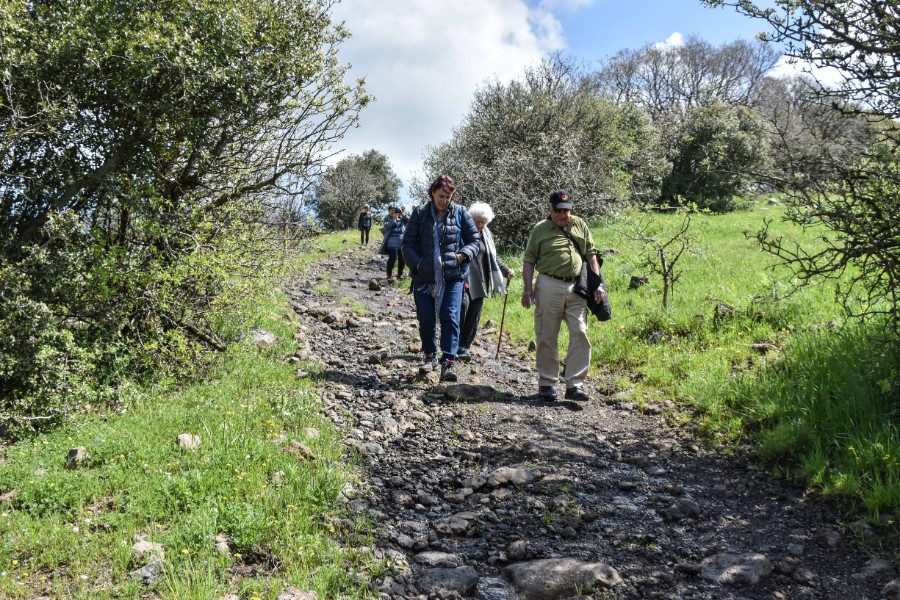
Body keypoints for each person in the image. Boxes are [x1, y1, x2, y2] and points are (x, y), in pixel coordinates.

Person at [520, 190, 607, 402]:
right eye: (558, 210)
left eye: (566, 211)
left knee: (580, 332)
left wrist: (598, 284)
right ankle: (547, 383)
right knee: (547, 334)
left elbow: (591, 255)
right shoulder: (540, 230)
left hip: (577, 286)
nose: (562, 215)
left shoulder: (579, 224)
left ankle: (575, 384)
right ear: (549, 209)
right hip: (548, 284)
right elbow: (529, 260)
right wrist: (527, 289)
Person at [402, 175, 480, 382]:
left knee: (450, 316)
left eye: (449, 196)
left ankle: (448, 362)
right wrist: (418, 264)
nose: (445, 200)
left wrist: (463, 255)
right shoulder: (419, 213)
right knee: (426, 318)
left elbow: (474, 240)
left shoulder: (461, 213)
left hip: (453, 275)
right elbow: (407, 244)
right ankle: (429, 355)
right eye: (441, 196)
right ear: (432, 193)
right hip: (424, 277)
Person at [457, 202, 515, 361]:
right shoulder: (462, 232)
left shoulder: (487, 235)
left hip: (482, 280)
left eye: (483, 222)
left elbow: (493, 257)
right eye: (477, 221)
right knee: (461, 308)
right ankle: (453, 343)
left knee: (475, 314)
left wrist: (506, 271)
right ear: (471, 219)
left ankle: (464, 347)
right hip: (463, 278)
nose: (480, 225)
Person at [379, 205, 408, 279]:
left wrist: (403, 214)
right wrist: (394, 219)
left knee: (402, 259)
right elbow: (386, 226)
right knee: (393, 258)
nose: (393, 211)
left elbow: (408, 221)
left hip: (401, 242)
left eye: (395, 210)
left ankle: (399, 274)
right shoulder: (387, 218)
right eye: (391, 210)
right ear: (389, 211)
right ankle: (389, 275)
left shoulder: (401, 218)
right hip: (392, 242)